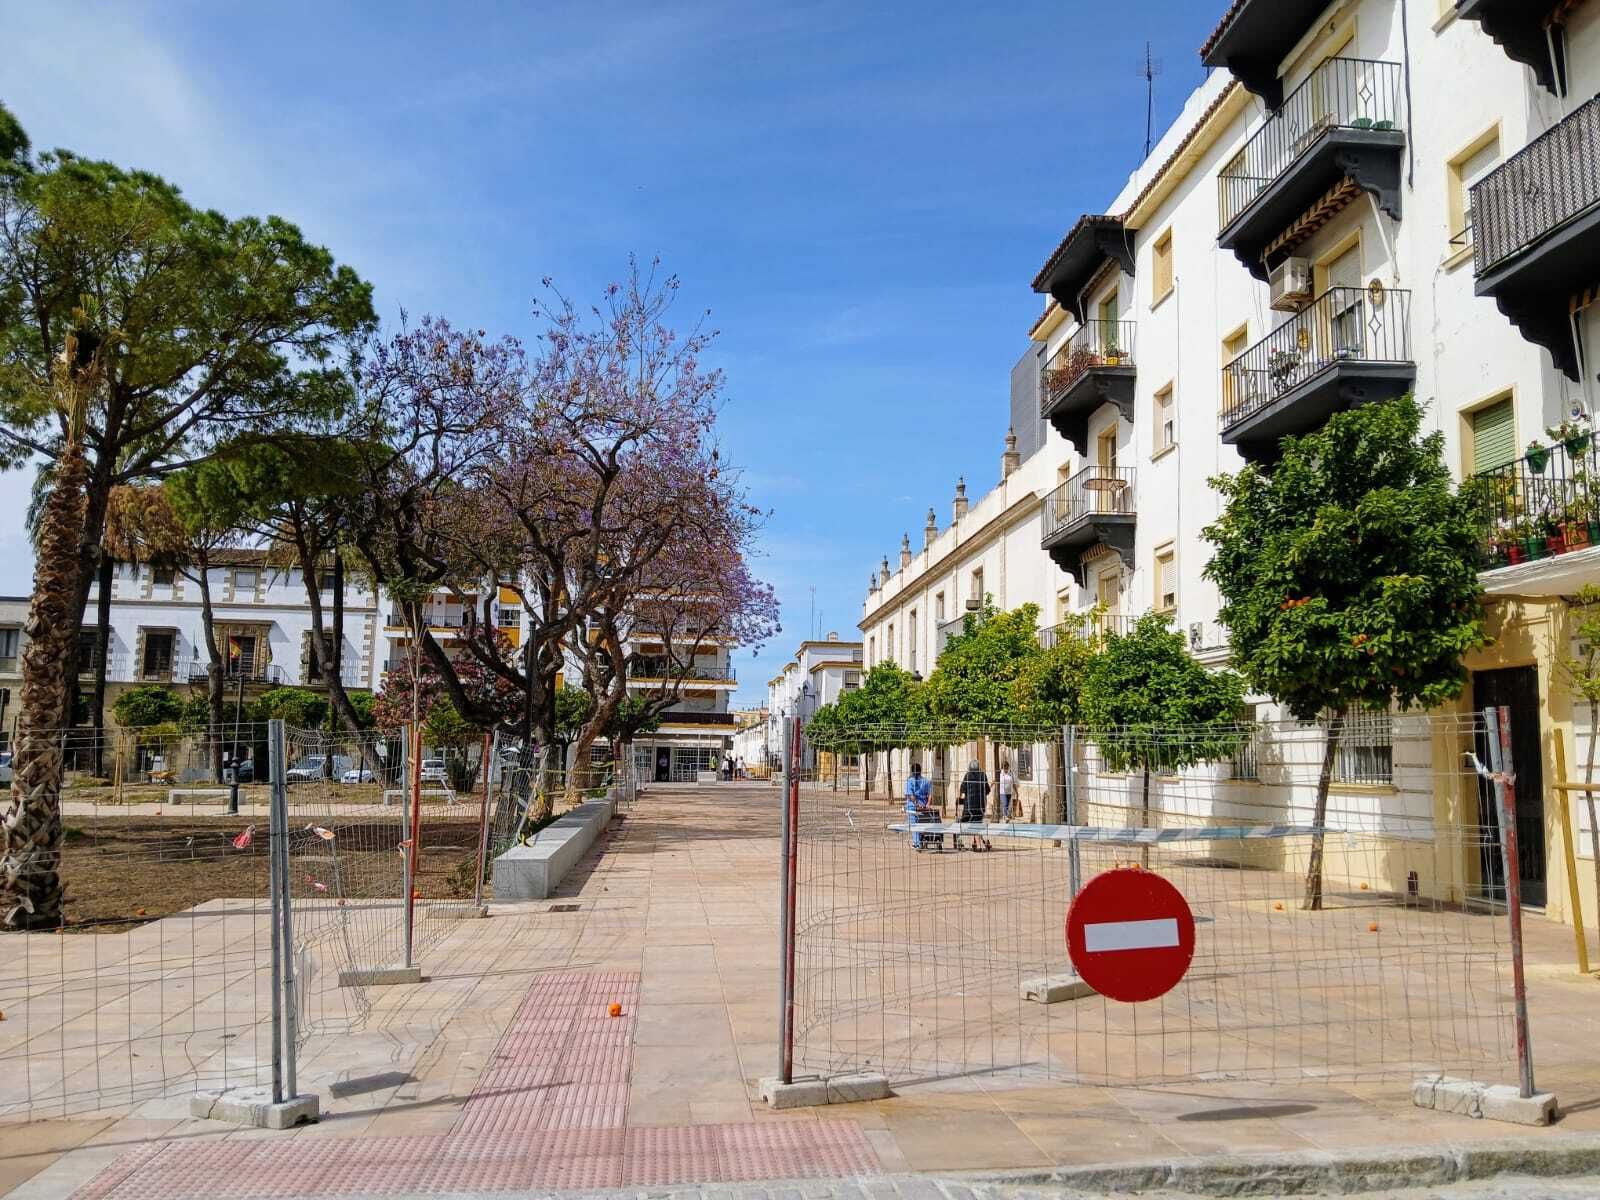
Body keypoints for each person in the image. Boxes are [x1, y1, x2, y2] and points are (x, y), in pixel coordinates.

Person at [958, 759, 992, 851]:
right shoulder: (983, 775)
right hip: (981, 805)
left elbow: (962, 789)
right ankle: (978, 842)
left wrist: (961, 797)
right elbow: (988, 790)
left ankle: (977, 843)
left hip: (969, 807)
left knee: (964, 822)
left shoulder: (967, 775)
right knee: (977, 822)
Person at [905, 761, 939, 851]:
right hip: (924, 806)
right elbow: (930, 794)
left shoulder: (909, 781)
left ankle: (917, 843)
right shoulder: (926, 781)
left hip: (912, 806)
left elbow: (910, 795)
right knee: (922, 824)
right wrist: (928, 803)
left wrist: (916, 804)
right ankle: (919, 841)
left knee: (914, 825)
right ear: (920, 771)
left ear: (912, 771)